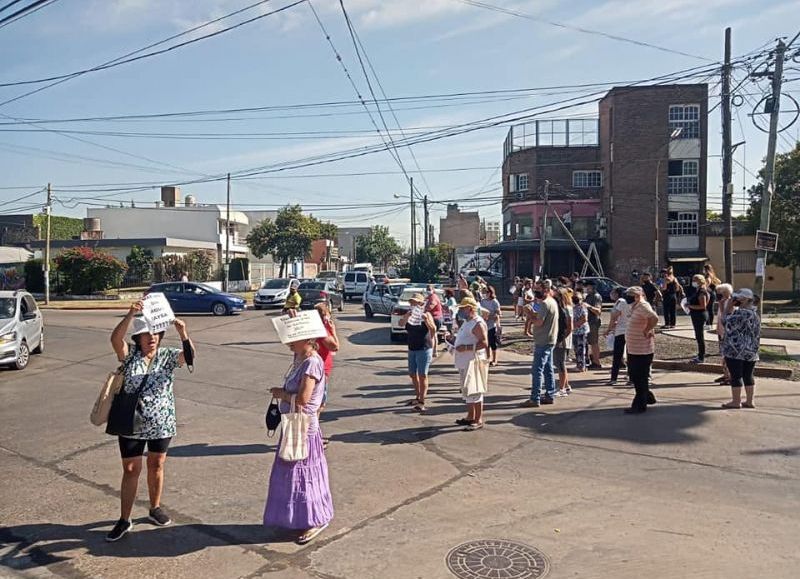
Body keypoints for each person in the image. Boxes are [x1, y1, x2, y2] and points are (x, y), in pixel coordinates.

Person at [106, 301, 195, 542]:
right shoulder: (129, 356)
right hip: (131, 423)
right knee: (131, 469)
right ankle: (124, 519)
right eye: (146, 334)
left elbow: (188, 357)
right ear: (138, 337)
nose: (152, 338)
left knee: (157, 464)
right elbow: (115, 340)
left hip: (161, 423)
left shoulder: (167, 356)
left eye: (155, 333)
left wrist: (183, 333)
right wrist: (130, 314)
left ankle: (155, 508)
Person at [265, 337, 334, 544]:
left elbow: (304, 399)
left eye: (294, 340)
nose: (289, 343)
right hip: (293, 424)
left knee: (304, 475)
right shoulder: (300, 358)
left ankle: (316, 519)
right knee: (292, 474)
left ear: (307, 340)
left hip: (303, 428)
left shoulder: (312, 362)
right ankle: (299, 517)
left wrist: (281, 394)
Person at [451, 297, 489, 431]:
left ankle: (478, 419)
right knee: (467, 389)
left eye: (463, 308)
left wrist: (466, 347)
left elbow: (484, 343)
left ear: (470, 309)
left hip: (474, 361)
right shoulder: (467, 322)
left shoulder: (477, 323)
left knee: (475, 389)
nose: (460, 311)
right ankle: (470, 416)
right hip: (464, 361)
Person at [721, 289, 760, 409]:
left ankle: (736, 401)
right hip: (751, 351)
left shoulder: (740, 314)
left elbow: (725, 321)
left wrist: (728, 307)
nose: (734, 300)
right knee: (748, 375)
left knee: (736, 375)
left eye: (736, 298)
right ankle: (749, 401)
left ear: (743, 299)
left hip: (735, 350)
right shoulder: (755, 314)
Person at [398, 293, 437, 413]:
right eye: (411, 302)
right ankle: (417, 396)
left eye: (415, 302)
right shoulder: (409, 315)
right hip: (412, 347)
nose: (413, 304)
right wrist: (406, 317)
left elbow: (434, 329)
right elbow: (400, 324)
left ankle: (422, 401)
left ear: (421, 303)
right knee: (412, 374)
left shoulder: (426, 315)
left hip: (424, 348)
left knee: (422, 375)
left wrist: (427, 321)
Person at [522, 284, 559, 407]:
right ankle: (549, 394)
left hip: (543, 340)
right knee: (548, 369)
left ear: (546, 290)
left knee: (537, 370)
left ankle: (535, 398)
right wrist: (533, 313)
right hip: (550, 339)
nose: (536, 292)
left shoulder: (544, 304)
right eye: (535, 290)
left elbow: (539, 322)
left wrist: (529, 313)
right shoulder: (552, 302)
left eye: (538, 290)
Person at [623, 287, 659, 414]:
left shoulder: (643, 306)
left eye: (630, 295)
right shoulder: (635, 306)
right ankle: (647, 396)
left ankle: (639, 405)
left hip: (642, 350)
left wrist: (647, 329)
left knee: (639, 377)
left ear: (637, 296)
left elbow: (654, 318)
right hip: (634, 348)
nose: (628, 297)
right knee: (635, 375)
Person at [314, 302, 339, 446]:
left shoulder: (313, 329)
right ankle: (314, 439)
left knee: (317, 406)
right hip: (321, 372)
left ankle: (314, 437)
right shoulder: (321, 330)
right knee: (318, 406)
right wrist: (332, 328)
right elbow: (335, 346)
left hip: (319, 371)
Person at [606, 287, 631, 386]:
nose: (611, 294)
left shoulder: (620, 302)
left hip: (621, 331)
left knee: (617, 355)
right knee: (630, 354)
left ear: (617, 294)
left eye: (613, 292)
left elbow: (614, 316)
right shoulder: (628, 302)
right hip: (628, 330)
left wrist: (609, 329)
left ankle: (614, 378)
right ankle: (630, 375)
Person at [554, 288, 574, 396]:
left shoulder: (567, 309)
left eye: (557, 296)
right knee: (559, 363)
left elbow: (570, 327)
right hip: (559, 338)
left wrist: (561, 339)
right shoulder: (560, 308)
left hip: (563, 340)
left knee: (560, 363)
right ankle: (567, 386)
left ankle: (561, 389)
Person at [686, 274, 710, 363]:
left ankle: (701, 356)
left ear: (700, 281)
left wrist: (690, 306)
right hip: (696, 315)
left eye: (694, 280)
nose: (693, 282)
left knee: (699, 336)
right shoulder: (698, 290)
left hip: (699, 315)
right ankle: (700, 355)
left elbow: (702, 306)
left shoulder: (702, 291)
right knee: (698, 336)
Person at [714, 283, 734, 385]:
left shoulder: (731, 302)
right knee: (722, 354)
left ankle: (730, 376)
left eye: (720, 293)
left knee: (727, 354)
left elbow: (726, 317)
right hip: (721, 330)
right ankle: (725, 374)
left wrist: (721, 306)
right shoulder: (723, 301)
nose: (718, 295)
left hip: (728, 332)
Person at [583, 280, 603, 369]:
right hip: (588, 322)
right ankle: (590, 360)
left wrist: (588, 306)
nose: (586, 288)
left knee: (594, 342)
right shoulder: (588, 296)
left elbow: (598, 311)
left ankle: (597, 362)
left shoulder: (596, 296)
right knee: (589, 342)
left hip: (593, 322)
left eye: (588, 286)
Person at [480, 286, 502, 366]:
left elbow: (498, 314)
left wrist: (490, 317)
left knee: (493, 343)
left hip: (492, 325)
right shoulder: (482, 301)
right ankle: (488, 358)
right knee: (486, 343)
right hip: (484, 325)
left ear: (491, 292)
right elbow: (480, 311)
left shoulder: (494, 302)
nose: (485, 294)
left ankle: (494, 359)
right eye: (484, 292)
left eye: (487, 292)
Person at [572, 292, 589, 372]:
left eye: (577, 298)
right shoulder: (574, 307)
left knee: (581, 349)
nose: (575, 299)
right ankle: (579, 364)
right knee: (576, 349)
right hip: (575, 331)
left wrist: (575, 325)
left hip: (581, 331)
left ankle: (582, 365)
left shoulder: (582, 307)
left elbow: (584, 319)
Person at [425, 284, 444, 356]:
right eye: (427, 289)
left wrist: (423, 309)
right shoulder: (429, 297)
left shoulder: (433, 297)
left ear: (433, 290)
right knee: (433, 334)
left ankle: (433, 351)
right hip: (433, 318)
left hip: (435, 318)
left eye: (429, 289)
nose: (428, 290)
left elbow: (431, 306)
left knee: (432, 335)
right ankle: (433, 351)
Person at [703, 264, 721, 329]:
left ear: (706, 269)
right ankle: (709, 324)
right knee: (710, 309)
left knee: (708, 309)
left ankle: (708, 324)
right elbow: (719, 281)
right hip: (712, 293)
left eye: (703, 269)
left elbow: (706, 284)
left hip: (709, 294)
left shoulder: (708, 276)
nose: (703, 271)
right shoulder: (712, 275)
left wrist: (705, 287)